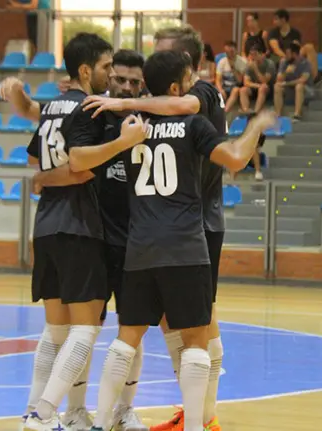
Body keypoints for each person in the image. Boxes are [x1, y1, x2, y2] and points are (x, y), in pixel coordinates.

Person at [89, 49, 277, 431]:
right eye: (189, 79)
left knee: (125, 340)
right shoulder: (193, 124)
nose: (193, 86)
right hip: (185, 246)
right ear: (176, 88)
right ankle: (195, 426)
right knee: (195, 342)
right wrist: (256, 127)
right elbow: (236, 159)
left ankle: (100, 423)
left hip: (140, 246)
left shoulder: (132, 125)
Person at [83, 25, 229, 431]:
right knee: (179, 324)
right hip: (167, 225)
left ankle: (205, 417)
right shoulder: (158, 109)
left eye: (162, 54)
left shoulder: (199, 94)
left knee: (199, 324)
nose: (151, 64)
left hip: (196, 221)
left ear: (186, 65)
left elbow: (183, 107)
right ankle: (196, 414)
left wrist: (119, 102)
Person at [0, 33, 146, 431]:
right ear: (86, 70)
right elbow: (80, 165)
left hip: (48, 224)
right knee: (85, 329)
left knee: (57, 330)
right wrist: (123, 142)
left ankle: (34, 410)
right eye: (107, 68)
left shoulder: (55, 105)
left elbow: (36, 156)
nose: (112, 76)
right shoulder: (86, 107)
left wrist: (44, 177)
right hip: (79, 226)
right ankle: (44, 413)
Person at [268, 9, 319, 81]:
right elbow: (276, 49)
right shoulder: (273, 32)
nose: (273, 22)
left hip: (292, 55)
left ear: (283, 20)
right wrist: (286, 57)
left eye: (276, 19)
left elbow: (296, 47)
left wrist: (293, 57)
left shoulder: (295, 32)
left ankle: (313, 78)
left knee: (309, 47)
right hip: (279, 57)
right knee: (283, 59)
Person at [274, 41, 313, 121]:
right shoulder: (284, 62)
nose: (285, 56)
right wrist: (285, 72)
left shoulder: (305, 63)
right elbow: (278, 79)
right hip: (290, 90)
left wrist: (286, 83)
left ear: (294, 54)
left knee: (299, 86)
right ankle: (278, 115)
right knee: (277, 86)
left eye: (287, 54)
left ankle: (297, 114)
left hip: (306, 91)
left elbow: (303, 80)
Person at [240, 43, 276, 114]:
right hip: (256, 88)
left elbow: (264, 81)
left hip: (268, 90)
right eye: (251, 54)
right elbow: (246, 82)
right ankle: (246, 111)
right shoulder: (249, 65)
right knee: (243, 90)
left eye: (255, 54)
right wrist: (258, 86)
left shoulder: (270, 64)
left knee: (263, 88)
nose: (252, 57)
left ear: (262, 54)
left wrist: (255, 69)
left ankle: (255, 112)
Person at [216, 40, 247, 113]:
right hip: (224, 86)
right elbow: (218, 79)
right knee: (216, 91)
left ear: (236, 50)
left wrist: (233, 68)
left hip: (236, 86)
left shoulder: (242, 62)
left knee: (235, 90)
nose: (229, 54)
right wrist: (220, 89)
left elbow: (240, 80)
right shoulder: (222, 62)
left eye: (231, 51)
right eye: (227, 52)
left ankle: (225, 111)